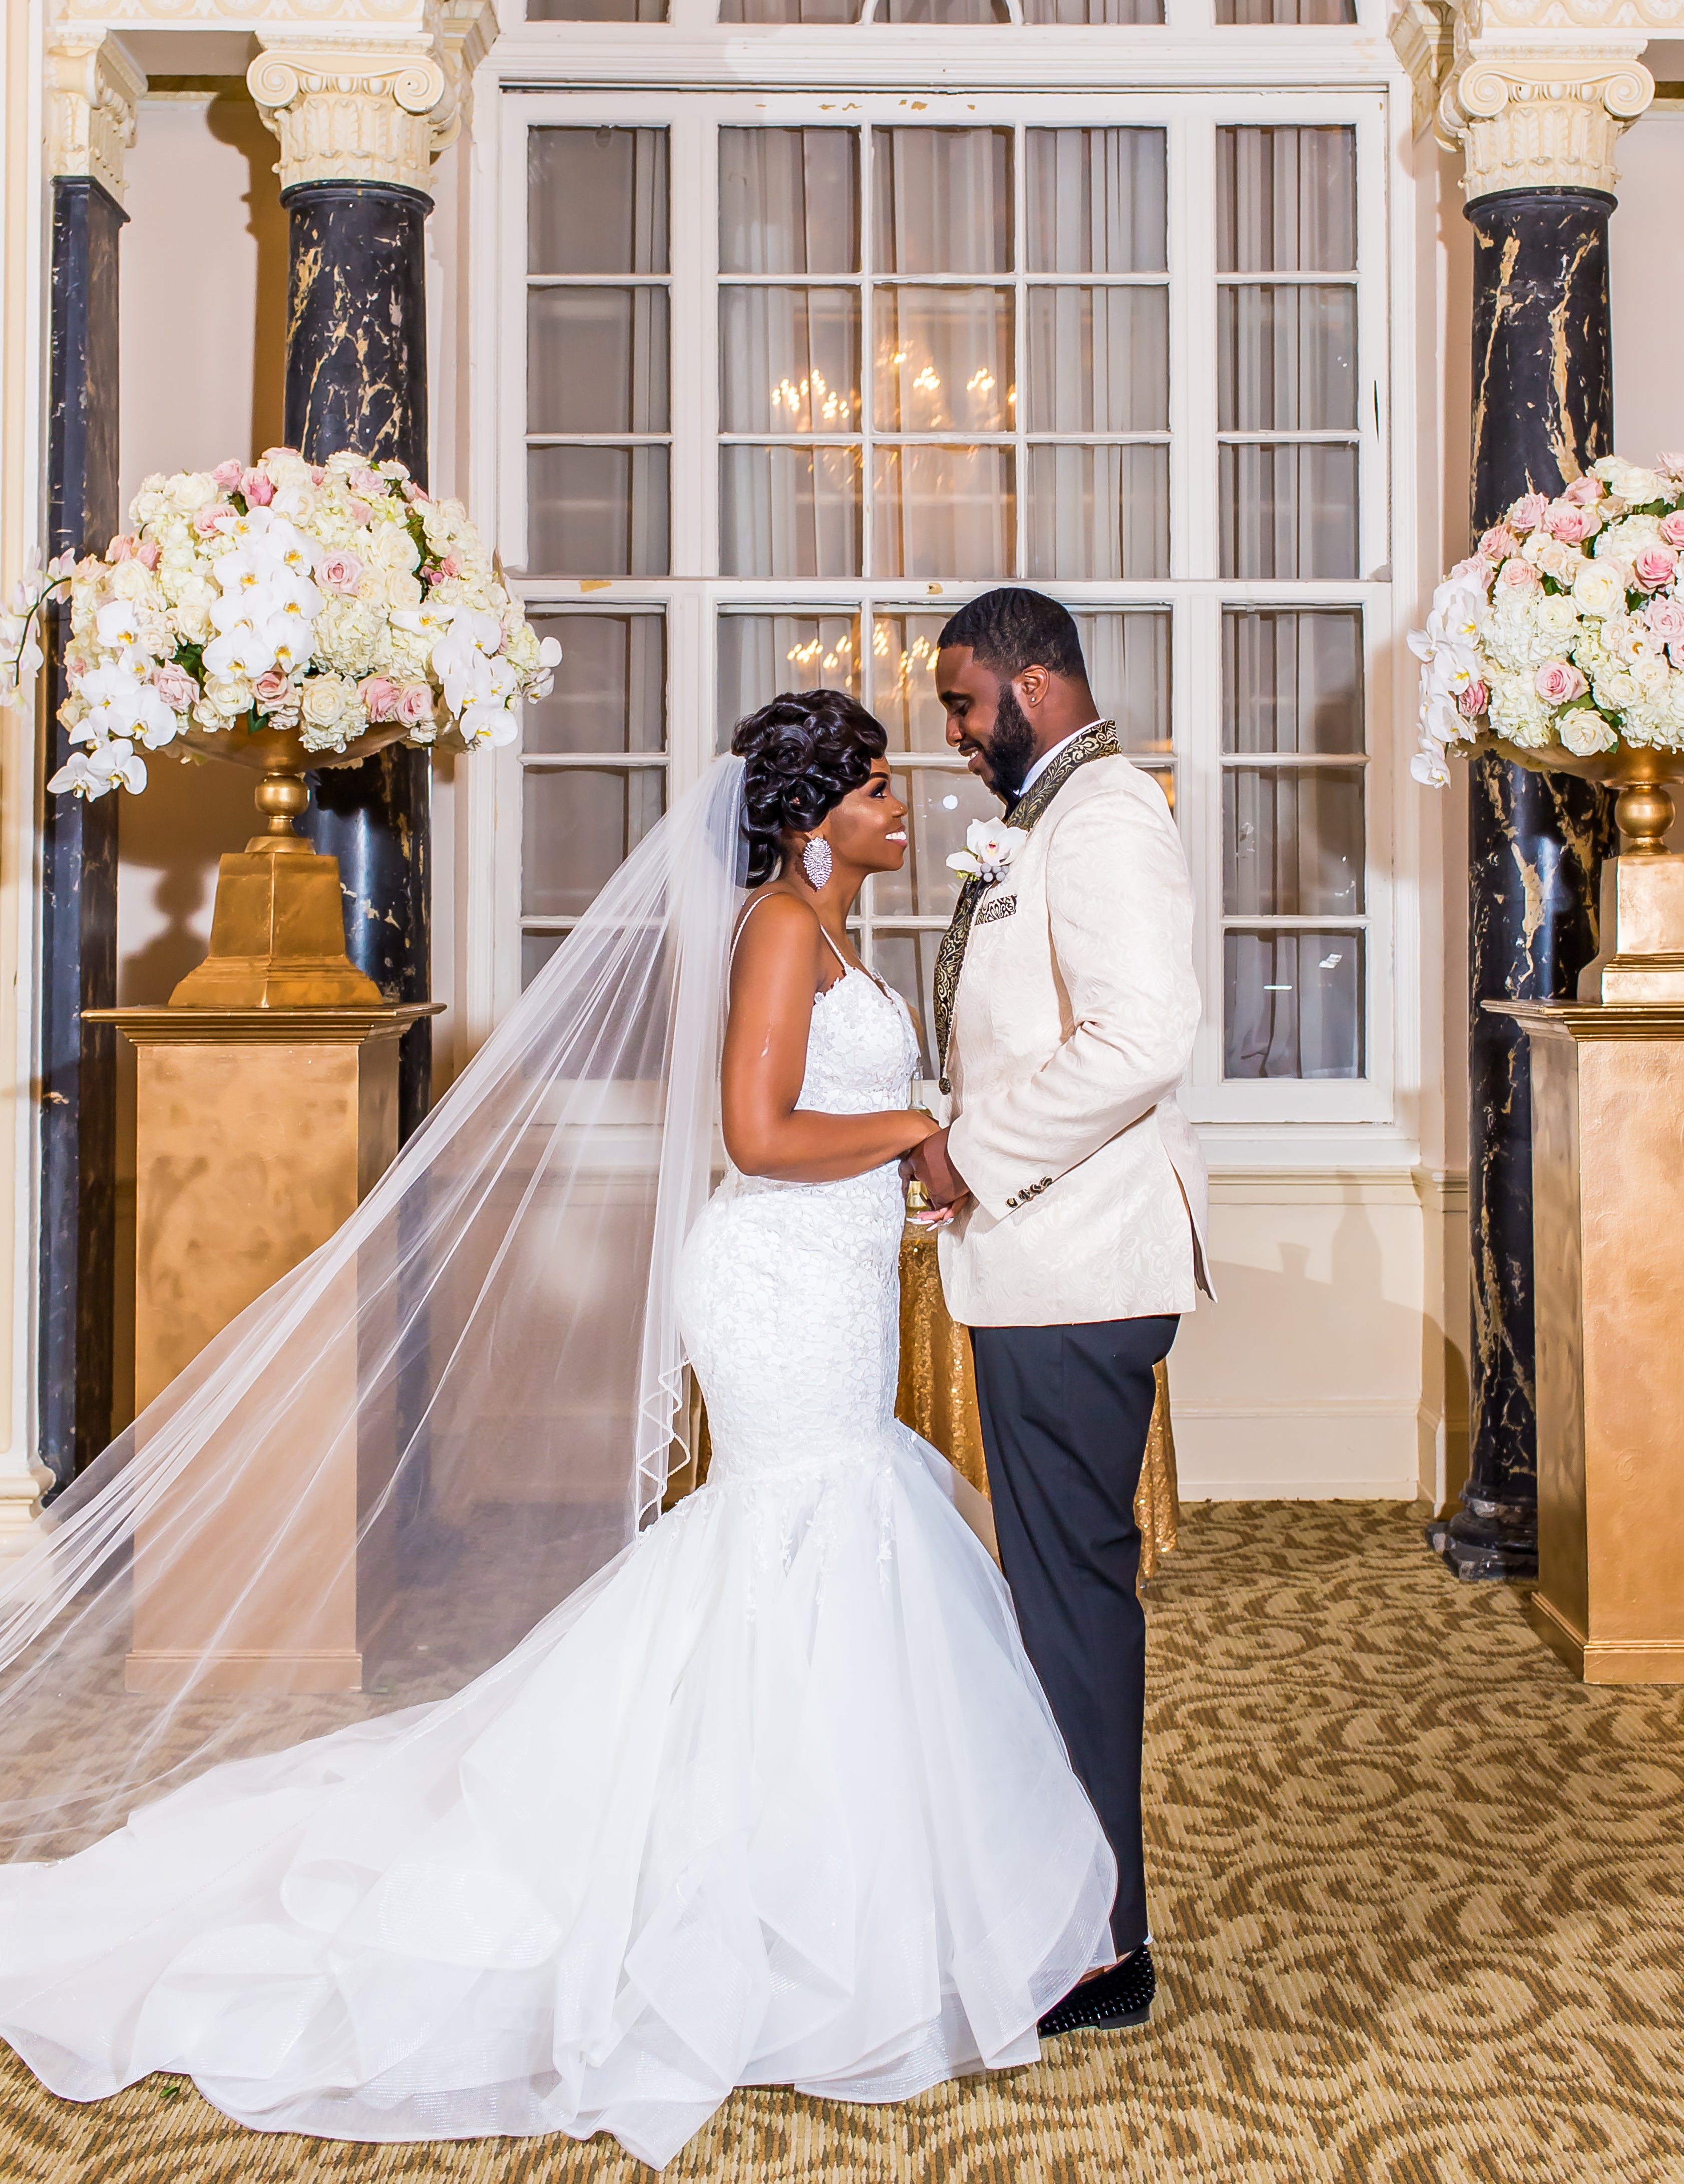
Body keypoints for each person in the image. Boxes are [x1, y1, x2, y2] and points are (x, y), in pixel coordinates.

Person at [0, 693, 1115, 2165]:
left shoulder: (835, 933)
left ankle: (809, 1889)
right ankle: (744, 1909)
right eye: (872, 787)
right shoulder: (783, 931)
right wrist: (919, 1132)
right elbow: (758, 1134)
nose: (898, 806)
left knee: (827, 1545)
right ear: (807, 818)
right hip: (778, 1289)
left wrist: (910, 1144)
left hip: (832, 1280)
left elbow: (818, 1120)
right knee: (801, 1536)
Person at [907, 589, 1209, 2037]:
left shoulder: (1107, 815)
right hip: (1043, 1264)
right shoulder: (1047, 818)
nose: (955, 737)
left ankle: (1101, 1945)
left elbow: (1144, 1037)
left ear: (1034, 683)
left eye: (965, 706)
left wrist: (970, 1154)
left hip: (1080, 1269)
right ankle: (1074, 1912)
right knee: (1053, 1593)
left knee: (1075, 1599)